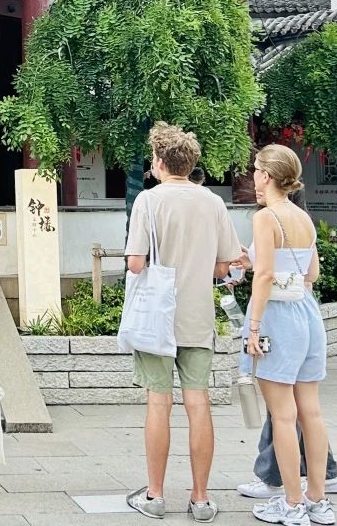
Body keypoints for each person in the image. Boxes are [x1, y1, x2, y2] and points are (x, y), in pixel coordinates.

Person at [124, 123, 242, 523]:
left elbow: (136, 263)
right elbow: (222, 268)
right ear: (190, 163)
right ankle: (201, 499)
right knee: (198, 402)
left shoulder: (148, 200)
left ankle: (155, 495)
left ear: (159, 161)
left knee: (159, 401)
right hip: (197, 315)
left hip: (157, 319)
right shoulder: (213, 202)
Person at [242, 144, 335, 526]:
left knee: (282, 415)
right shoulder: (304, 218)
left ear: (266, 176)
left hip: (277, 317)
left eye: (256, 170)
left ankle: (292, 504)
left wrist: (253, 327)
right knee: (310, 412)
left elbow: (264, 275)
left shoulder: (266, 218)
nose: (253, 176)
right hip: (308, 314)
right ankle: (318, 500)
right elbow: (312, 274)